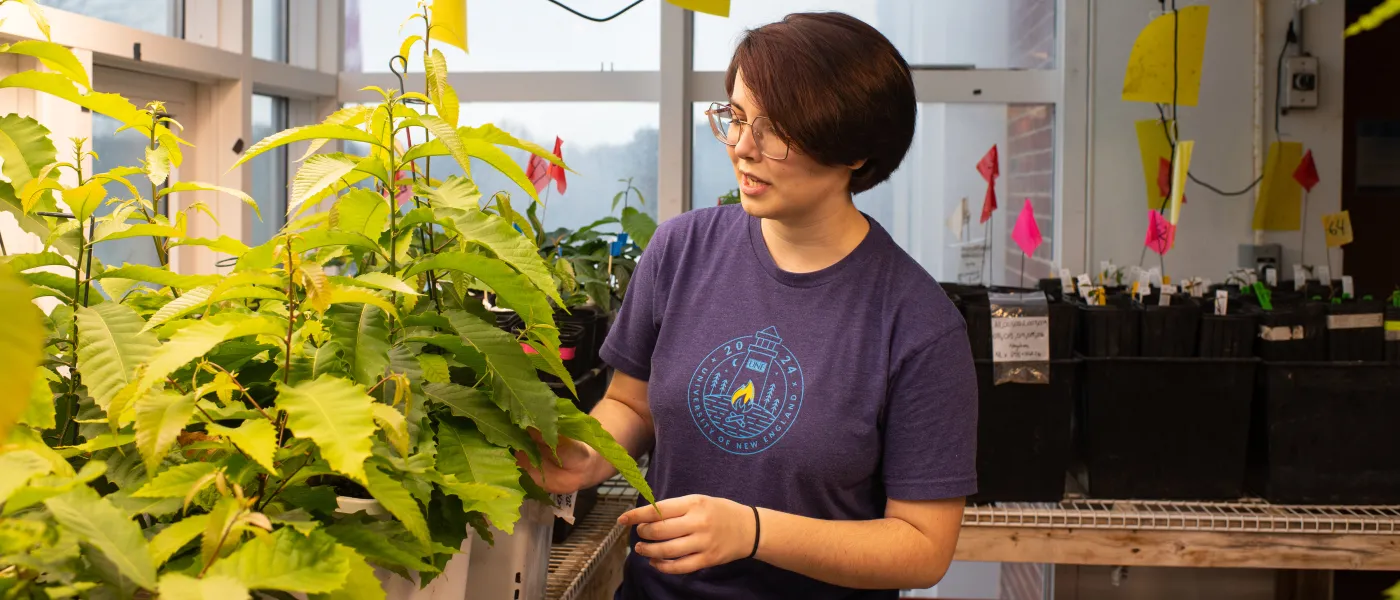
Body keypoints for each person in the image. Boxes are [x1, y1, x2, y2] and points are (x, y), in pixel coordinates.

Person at [519, 11, 977, 599]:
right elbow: (631, 405)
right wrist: (585, 455)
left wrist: (755, 532)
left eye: (774, 128)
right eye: (736, 117)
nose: (741, 147)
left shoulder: (917, 325)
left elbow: (922, 547)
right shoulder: (681, 250)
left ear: (855, 150)